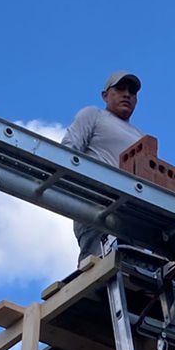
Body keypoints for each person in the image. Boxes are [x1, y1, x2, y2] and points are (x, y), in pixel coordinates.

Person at [61, 71, 147, 263]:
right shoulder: (93, 115)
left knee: (134, 275)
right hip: (97, 209)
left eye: (132, 92)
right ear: (105, 95)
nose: (127, 95)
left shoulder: (141, 137)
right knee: (98, 269)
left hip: (132, 218)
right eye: (120, 89)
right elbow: (68, 152)